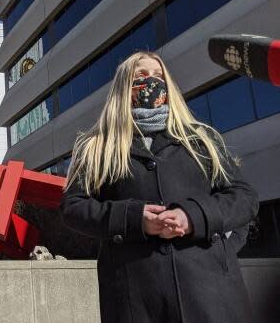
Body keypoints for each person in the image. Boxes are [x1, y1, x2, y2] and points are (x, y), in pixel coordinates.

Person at [60, 51, 258, 323]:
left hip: (212, 296)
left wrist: (196, 221)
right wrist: (133, 219)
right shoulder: (95, 147)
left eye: (157, 76)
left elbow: (243, 197)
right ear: (123, 87)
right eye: (140, 76)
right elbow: (73, 207)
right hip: (135, 299)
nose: (151, 82)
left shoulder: (201, 139)